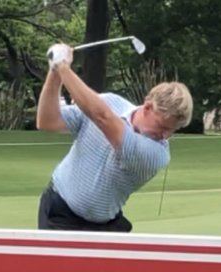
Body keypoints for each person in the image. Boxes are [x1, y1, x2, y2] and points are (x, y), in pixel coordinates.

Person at [35, 43, 193, 232]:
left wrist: (63, 67)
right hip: (59, 211)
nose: (165, 136)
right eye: (163, 126)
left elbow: (103, 118)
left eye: (173, 130)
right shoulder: (111, 102)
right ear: (147, 107)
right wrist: (54, 72)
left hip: (104, 224)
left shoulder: (156, 154)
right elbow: (48, 121)